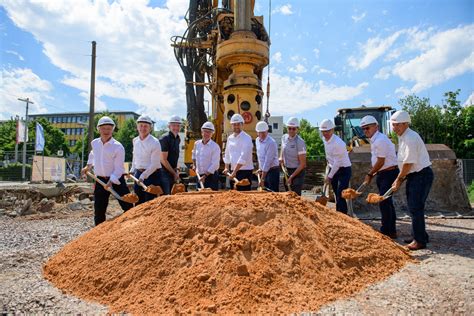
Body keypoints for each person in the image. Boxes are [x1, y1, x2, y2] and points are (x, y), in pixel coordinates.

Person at [390, 110, 433, 251]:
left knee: (416, 207)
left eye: (397, 125)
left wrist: (398, 179)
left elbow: (408, 163)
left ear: (406, 124)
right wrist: (401, 179)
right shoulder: (403, 137)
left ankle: (419, 241)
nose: (394, 128)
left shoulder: (410, 138)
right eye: (393, 125)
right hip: (414, 176)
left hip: (421, 175)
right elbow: (405, 164)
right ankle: (419, 235)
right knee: (414, 207)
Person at [81, 116, 133, 226]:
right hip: (100, 181)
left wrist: (111, 181)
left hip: (117, 180)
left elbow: (119, 168)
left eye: (109, 128)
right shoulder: (95, 143)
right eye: (103, 128)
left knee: (128, 206)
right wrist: (88, 166)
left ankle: (130, 229)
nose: (106, 131)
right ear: (98, 129)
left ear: (113, 129)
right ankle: (98, 234)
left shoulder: (118, 147)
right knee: (99, 211)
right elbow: (93, 155)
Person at [360, 115, 399, 238]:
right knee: (386, 202)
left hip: (388, 173)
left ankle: (387, 231)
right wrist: (374, 173)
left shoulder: (380, 140)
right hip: (383, 173)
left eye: (367, 128)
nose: (365, 131)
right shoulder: (375, 140)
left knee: (384, 202)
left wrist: (370, 174)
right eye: (363, 129)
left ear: (376, 126)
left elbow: (381, 161)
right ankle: (390, 229)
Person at [320, 119, 352, 214]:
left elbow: (337, 162)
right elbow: (329, 157)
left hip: (344, 170)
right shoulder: (324, 140)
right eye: (323, 131)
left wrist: (329, 176)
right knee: (335, 193)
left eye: (327, 131)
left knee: (340, 193)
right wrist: (328, 170)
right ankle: (339, 214)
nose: (325, 133)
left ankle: (343, 216)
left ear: (332, 130)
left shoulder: (339, 143)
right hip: (332, 167)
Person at [129, 115, 162, 204]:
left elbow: (154, 164)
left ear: (150, 128)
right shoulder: (135, 140)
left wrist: (143, 176)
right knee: (138, 202)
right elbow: (134, 156)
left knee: (150, 203)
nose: (143, 128)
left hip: (152, 175)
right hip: (138, 173)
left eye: (146, 126)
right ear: (137, 127)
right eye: (141, 125)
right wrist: (132, 170)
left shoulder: (155, 142)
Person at [223, 114, 254, 191]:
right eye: (234, 124)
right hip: (233, 170)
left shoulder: (247, 138)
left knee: (244, 197)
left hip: (245, 171)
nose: (236, 126)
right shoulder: (230, 138)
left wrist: (234, 172)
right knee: (234, 195)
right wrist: (226, 167)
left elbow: (244, 157)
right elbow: (227, 154)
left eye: (238, 124)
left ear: (242, 124)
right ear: (231, 125)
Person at [280, 117, 307, 195]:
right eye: (289, 128)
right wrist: (281, 156)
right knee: (287, 194)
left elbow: (302, 164)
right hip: (287, 170)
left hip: (297, 172)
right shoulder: (284, 137)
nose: (291, 130)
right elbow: (282, 147)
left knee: (295, 195)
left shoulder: (300, 142)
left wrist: (291, 177)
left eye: (293, 129)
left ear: (297, 129)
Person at [192, 121, 221, 191]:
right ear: (202, 132)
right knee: (199, 198)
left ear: (212, 134)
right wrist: (194, 165)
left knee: (211, 197)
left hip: (211, 177)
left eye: (209, 132)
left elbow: (215, 164)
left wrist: (205, 176)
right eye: (205, 131)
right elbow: (194, 155)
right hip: (199, 175)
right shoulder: (197, 144)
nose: (206, 134)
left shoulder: (215, 147)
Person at [255, 121, 280, 192]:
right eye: (260, 132)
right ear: (257, 132)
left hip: (272, 172)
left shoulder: (271, 143)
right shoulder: (257, 141)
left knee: (272, 193)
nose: (262, 134)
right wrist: (260, 168)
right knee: (264, 193)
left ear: (267, 131)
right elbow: (260, 156)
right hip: (264, 171)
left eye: (264, 132)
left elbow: (268, 161)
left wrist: (262, 178)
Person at [159, 115, 181, 195]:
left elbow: (176, 156)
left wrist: (177, 170)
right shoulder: (164, 139)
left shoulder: (178, 138)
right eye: (173, 125)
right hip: (164, 172)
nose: (176, 128)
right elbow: (163, 160)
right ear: (169, 126)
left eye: (178, 125)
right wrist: (174, 173)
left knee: (173, 195)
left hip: (172, 171)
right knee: (166, 195)